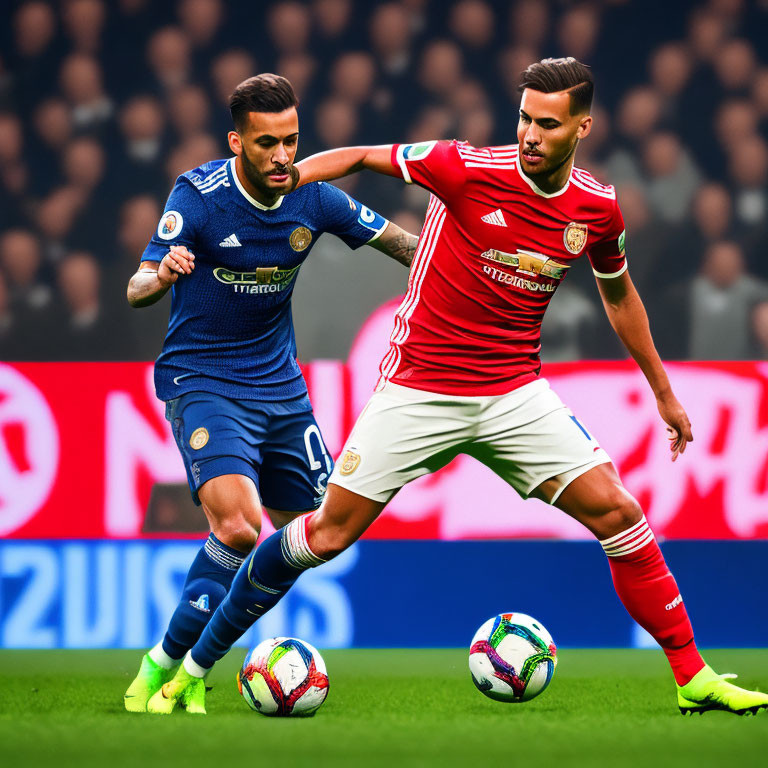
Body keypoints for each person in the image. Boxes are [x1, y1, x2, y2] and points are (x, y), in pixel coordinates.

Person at [151, 58, 768, 716]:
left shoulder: (597, 207)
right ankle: (194, 665)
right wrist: (286, 179)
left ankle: (693, 677)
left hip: (513, 392)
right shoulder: (465, 165)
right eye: (526, 117)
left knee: (621, 515)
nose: (530, 133)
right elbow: (362, 155)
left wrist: (663, 392)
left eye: (548, 123)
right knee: (325, 535)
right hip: (420, 387)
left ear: (582, 127)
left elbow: (620, 298)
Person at [123, 73, 417, 713]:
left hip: (280, 389)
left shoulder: (315, 198)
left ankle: (193, 663)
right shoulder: (198, 196)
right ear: (238, 142)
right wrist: (163, 271)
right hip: (203, 378)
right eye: (266, 144)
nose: (283, 156)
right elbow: (137, 286)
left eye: (291, 140)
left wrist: (472, 267)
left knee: (312, 534)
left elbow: (402, 245)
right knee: (236, 527)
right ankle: (166, 668)